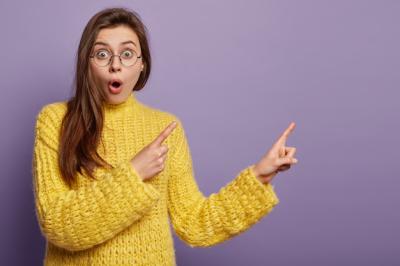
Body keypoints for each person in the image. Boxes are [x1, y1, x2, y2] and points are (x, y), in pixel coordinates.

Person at [32, 7, 298, 266]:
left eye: (127, 54)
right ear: (86, 63)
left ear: (141, 65)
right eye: (102, 54)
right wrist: (133, 173)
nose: (115, 65)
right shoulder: (56, 120)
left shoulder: (166, 127)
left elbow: (194, 222)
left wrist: (260, 175)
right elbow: (57, 224)